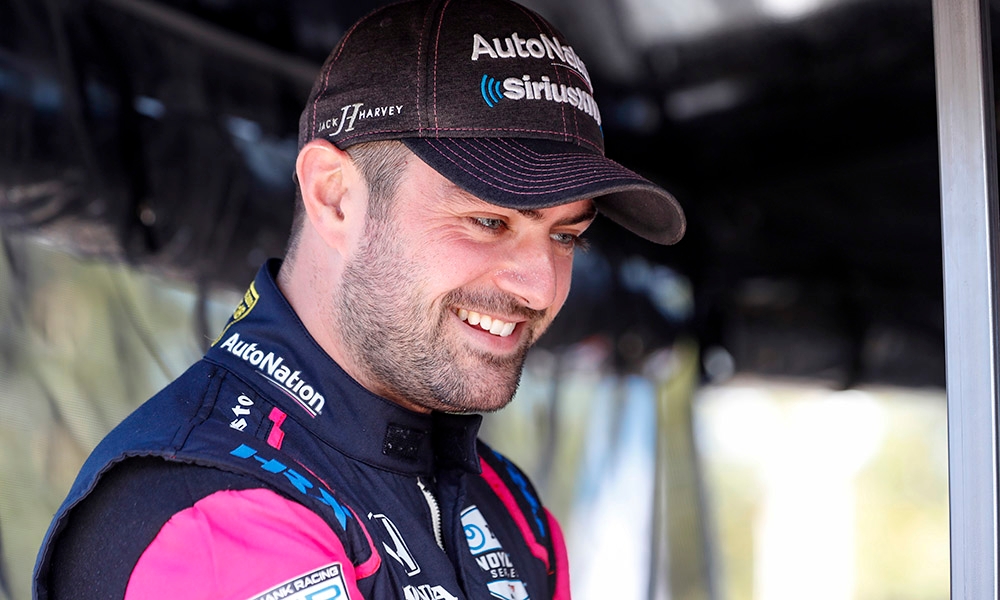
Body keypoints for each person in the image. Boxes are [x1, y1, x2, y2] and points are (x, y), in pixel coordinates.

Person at [33, 0, 685, 598]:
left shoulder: (512, 511)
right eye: (489, 222)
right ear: (334, 196)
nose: (541, 285)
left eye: (566, 236)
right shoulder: (218, 509)